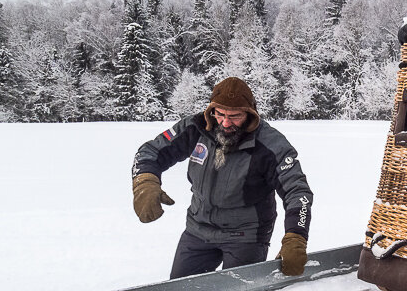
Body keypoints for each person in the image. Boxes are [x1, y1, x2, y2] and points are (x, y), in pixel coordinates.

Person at [132, 77, 312, 279]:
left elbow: (297, 191)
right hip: (198, 229)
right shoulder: (196, 128)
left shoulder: (271, 145)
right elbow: (150, 151)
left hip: (246, 236)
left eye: (235, 116)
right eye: (220, 114)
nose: (226, 123)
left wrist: (296, 235)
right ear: (211, 111)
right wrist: (145, 181)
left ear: (250, 114)